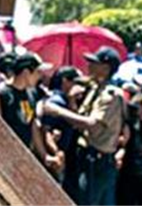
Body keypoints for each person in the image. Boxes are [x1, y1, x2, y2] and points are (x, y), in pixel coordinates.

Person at [38, 45, 125, 206]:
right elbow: (80, 120)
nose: (89, 66)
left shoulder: (110, 95)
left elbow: (92, 124)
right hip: (86, 156)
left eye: (94, 63)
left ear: (106, 68)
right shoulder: (95, 89)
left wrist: (58, 111)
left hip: (98, 160)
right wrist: (71, 101)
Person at [0, 51, 51, 162]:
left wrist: (44, 155)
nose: (40, 76)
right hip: (5, 156)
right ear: (26, 72)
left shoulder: (32, 94)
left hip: (24, 156)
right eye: (38, 72)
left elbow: (32, 126)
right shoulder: (1, 94)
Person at [41, 66, 86, 201]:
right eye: (75, 81)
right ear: (65, 81)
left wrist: (72, 100)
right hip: (56, 158)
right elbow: (46, 131)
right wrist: (56, 152)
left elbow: (76, 124)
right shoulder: (56, 101)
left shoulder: (67, 101)